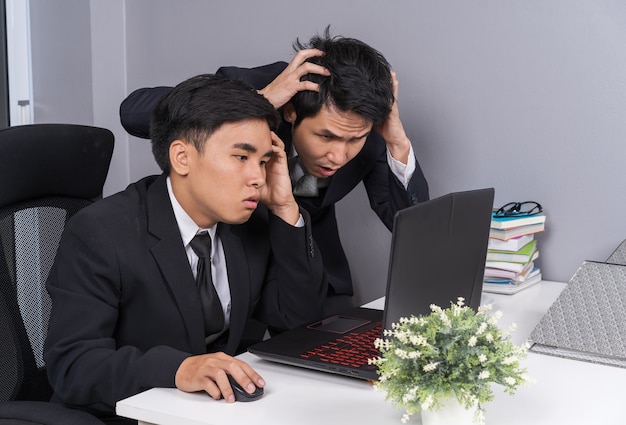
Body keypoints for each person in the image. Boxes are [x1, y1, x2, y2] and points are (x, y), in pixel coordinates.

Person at [44, 74, 328, 424]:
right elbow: (73, 365)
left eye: (264, 161)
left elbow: (300, 323)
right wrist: (178, 369)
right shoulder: (100, 232)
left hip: (215, 413)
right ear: (181, 157)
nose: (257, 176)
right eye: (242, 157)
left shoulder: (248, 226)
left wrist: (286, 209)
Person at [120, 27, 429, 316]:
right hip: (230, 262)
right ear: (292, 111)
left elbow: (412, 229)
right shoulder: (269, 86)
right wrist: (256, 104)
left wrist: (396, 140)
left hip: (310, 274)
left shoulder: (363, 129)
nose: (339, 155)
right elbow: (132, 111)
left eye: (354, 140)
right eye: (326, 136)